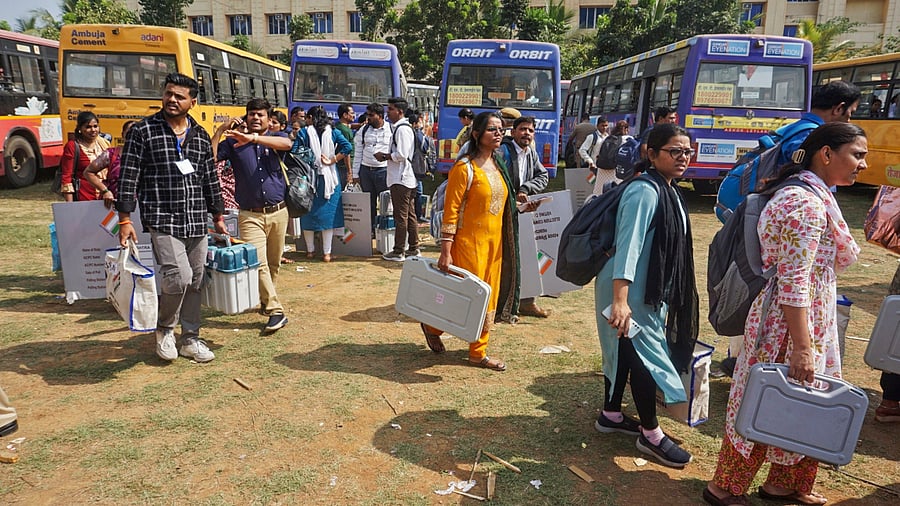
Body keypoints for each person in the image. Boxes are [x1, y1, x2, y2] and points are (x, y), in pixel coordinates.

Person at [704, 122, 866, 506]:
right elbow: (794, 282)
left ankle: (785, 483)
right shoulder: (804, 204)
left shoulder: (814, 194)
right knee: (769, 396)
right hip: (786, 324)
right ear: (826, 154)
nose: (863, 163)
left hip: (801, 319)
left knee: (805, 398)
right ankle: (723, 487)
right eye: (857, 154)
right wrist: (802, 347)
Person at [595, 123, 699, 470]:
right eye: (675, 151)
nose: (683, 157)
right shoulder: (644, 191)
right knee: (641, 356)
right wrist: (621, 301)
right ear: (651, 154)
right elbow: (628, 247)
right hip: (628, 290)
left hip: (647, 290)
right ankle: (650, 434)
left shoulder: (667, 188)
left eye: (687, 151)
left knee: (624, 349)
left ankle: (611, 414)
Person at [116, 72, 228, 363]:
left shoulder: (200, 135)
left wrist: (217, 214)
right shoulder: (143, 132)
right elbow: (128, 177)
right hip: (162, 219)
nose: (172, 100)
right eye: (168, 93)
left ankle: (190, 339)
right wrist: (125, 219)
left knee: (196, 280)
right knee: (178, 278)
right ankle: (165, 329)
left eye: (179, 96)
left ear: (192, 101)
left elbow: (209, 178)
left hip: (196, 221)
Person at [420, 111, 520, 371]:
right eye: (492, 129)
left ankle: (478, 352)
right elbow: (450, 212)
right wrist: (445, 251)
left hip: (494, 246)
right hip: (468, 244)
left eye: (500, 129)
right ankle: (432, 326)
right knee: (464, 298)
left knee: (490, 298)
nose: (499, 133)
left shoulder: (498, 165)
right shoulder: (464, 168)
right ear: (476, 134)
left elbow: (499, 203)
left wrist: (521, 206)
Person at [214, 98, 293, 333]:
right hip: (250, 215)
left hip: (279, 211)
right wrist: (220, 130)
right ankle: (275, 310)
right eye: (251, 114)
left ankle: (266, 300)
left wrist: (254, 139)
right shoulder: (233, 143)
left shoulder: (277, 138)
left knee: (274, 262)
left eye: (260, 115)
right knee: (258, 263)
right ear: (245, 117)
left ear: (269, 119)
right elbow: (210, 157)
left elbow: (287, 144)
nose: (255, 118)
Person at [500, 115, 550, 318]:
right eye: (522, 129)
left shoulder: (531, 153)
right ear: (513, 132)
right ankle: (502, 304)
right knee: (504, 258)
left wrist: (526, 189)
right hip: (501, 211)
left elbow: (543, 175)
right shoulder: (502, 151)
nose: (526, 134)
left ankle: (527, 302)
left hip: (522, 212)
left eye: (530, 130)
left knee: (528, 255)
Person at [293, 105, 352, 262]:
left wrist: (310, 159)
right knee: (329, 216)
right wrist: (332, 160)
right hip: (330, 179)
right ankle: (327, 253)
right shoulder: (333, 132)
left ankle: (310, 251)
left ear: (311, 118)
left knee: (307, 213)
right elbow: (348, 147)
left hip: (308, 179)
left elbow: (294, 151)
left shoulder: (304, 132)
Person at [380, 97, 420, 261]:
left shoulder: (402, 129)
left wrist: (385, 156)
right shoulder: (401, 128)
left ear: (400, 111)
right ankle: (413, 247)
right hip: (404, 177)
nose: (388, 112)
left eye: (390, 109)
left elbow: (402, 155)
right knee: (409, 215)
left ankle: (399, 251)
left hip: (401, 178)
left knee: (400, 216)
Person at [352, 103, 392, 232]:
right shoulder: (363, 130)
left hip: (384, 171)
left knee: (386, 203)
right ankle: (371, 231)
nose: (368, 118)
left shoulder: (391, 130)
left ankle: (384, 229)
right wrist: (355, 174)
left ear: (380, 116)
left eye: (371, 115)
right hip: (366, 171)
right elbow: (357, 153)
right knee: (369, 204)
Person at [60, 111, 111, 202]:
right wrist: (70, 206)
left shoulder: (104, 143)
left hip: (107, 196)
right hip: (85, 197)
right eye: (88, 127)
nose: (93, 130)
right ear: (80, 128)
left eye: (95, 126)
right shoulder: (72, 146)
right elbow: (67, 177)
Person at [84, 120, 136, 209]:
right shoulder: (111, 154)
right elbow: (88, 172)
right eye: (129, 132)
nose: (133, 136)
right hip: (112, 206)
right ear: (123, 135)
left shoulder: (148, 156)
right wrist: (105, 191)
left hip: (139, 207)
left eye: (136, 133)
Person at [593, 120, 632, 194]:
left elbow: (597, 154)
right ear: (626, 129)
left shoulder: (606, 139)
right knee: (613, 195)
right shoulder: (628, 139)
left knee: (599, 194)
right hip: (615, 172)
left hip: (601, 171)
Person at [335, 103, 356, 186]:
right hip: (344, 167)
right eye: (352, 113)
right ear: (345, 115)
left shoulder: (339, 126)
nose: (354, 115)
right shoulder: (345, 131)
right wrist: (349, 171)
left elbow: (350, 126)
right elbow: (346, 152)